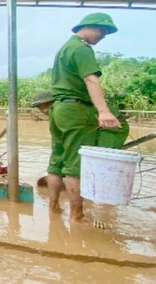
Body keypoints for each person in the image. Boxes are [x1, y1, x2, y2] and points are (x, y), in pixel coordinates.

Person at [46, 13, 121, 223]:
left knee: (56, 161)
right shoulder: (82, 49)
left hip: (59, 109)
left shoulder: (65, 48)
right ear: (88, 27)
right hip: (76, 111)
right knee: (75, 164)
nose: (103, 36)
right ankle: (77, 216)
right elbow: (91, 79)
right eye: (101, 30)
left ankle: (53, 208)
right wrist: (104, 111)